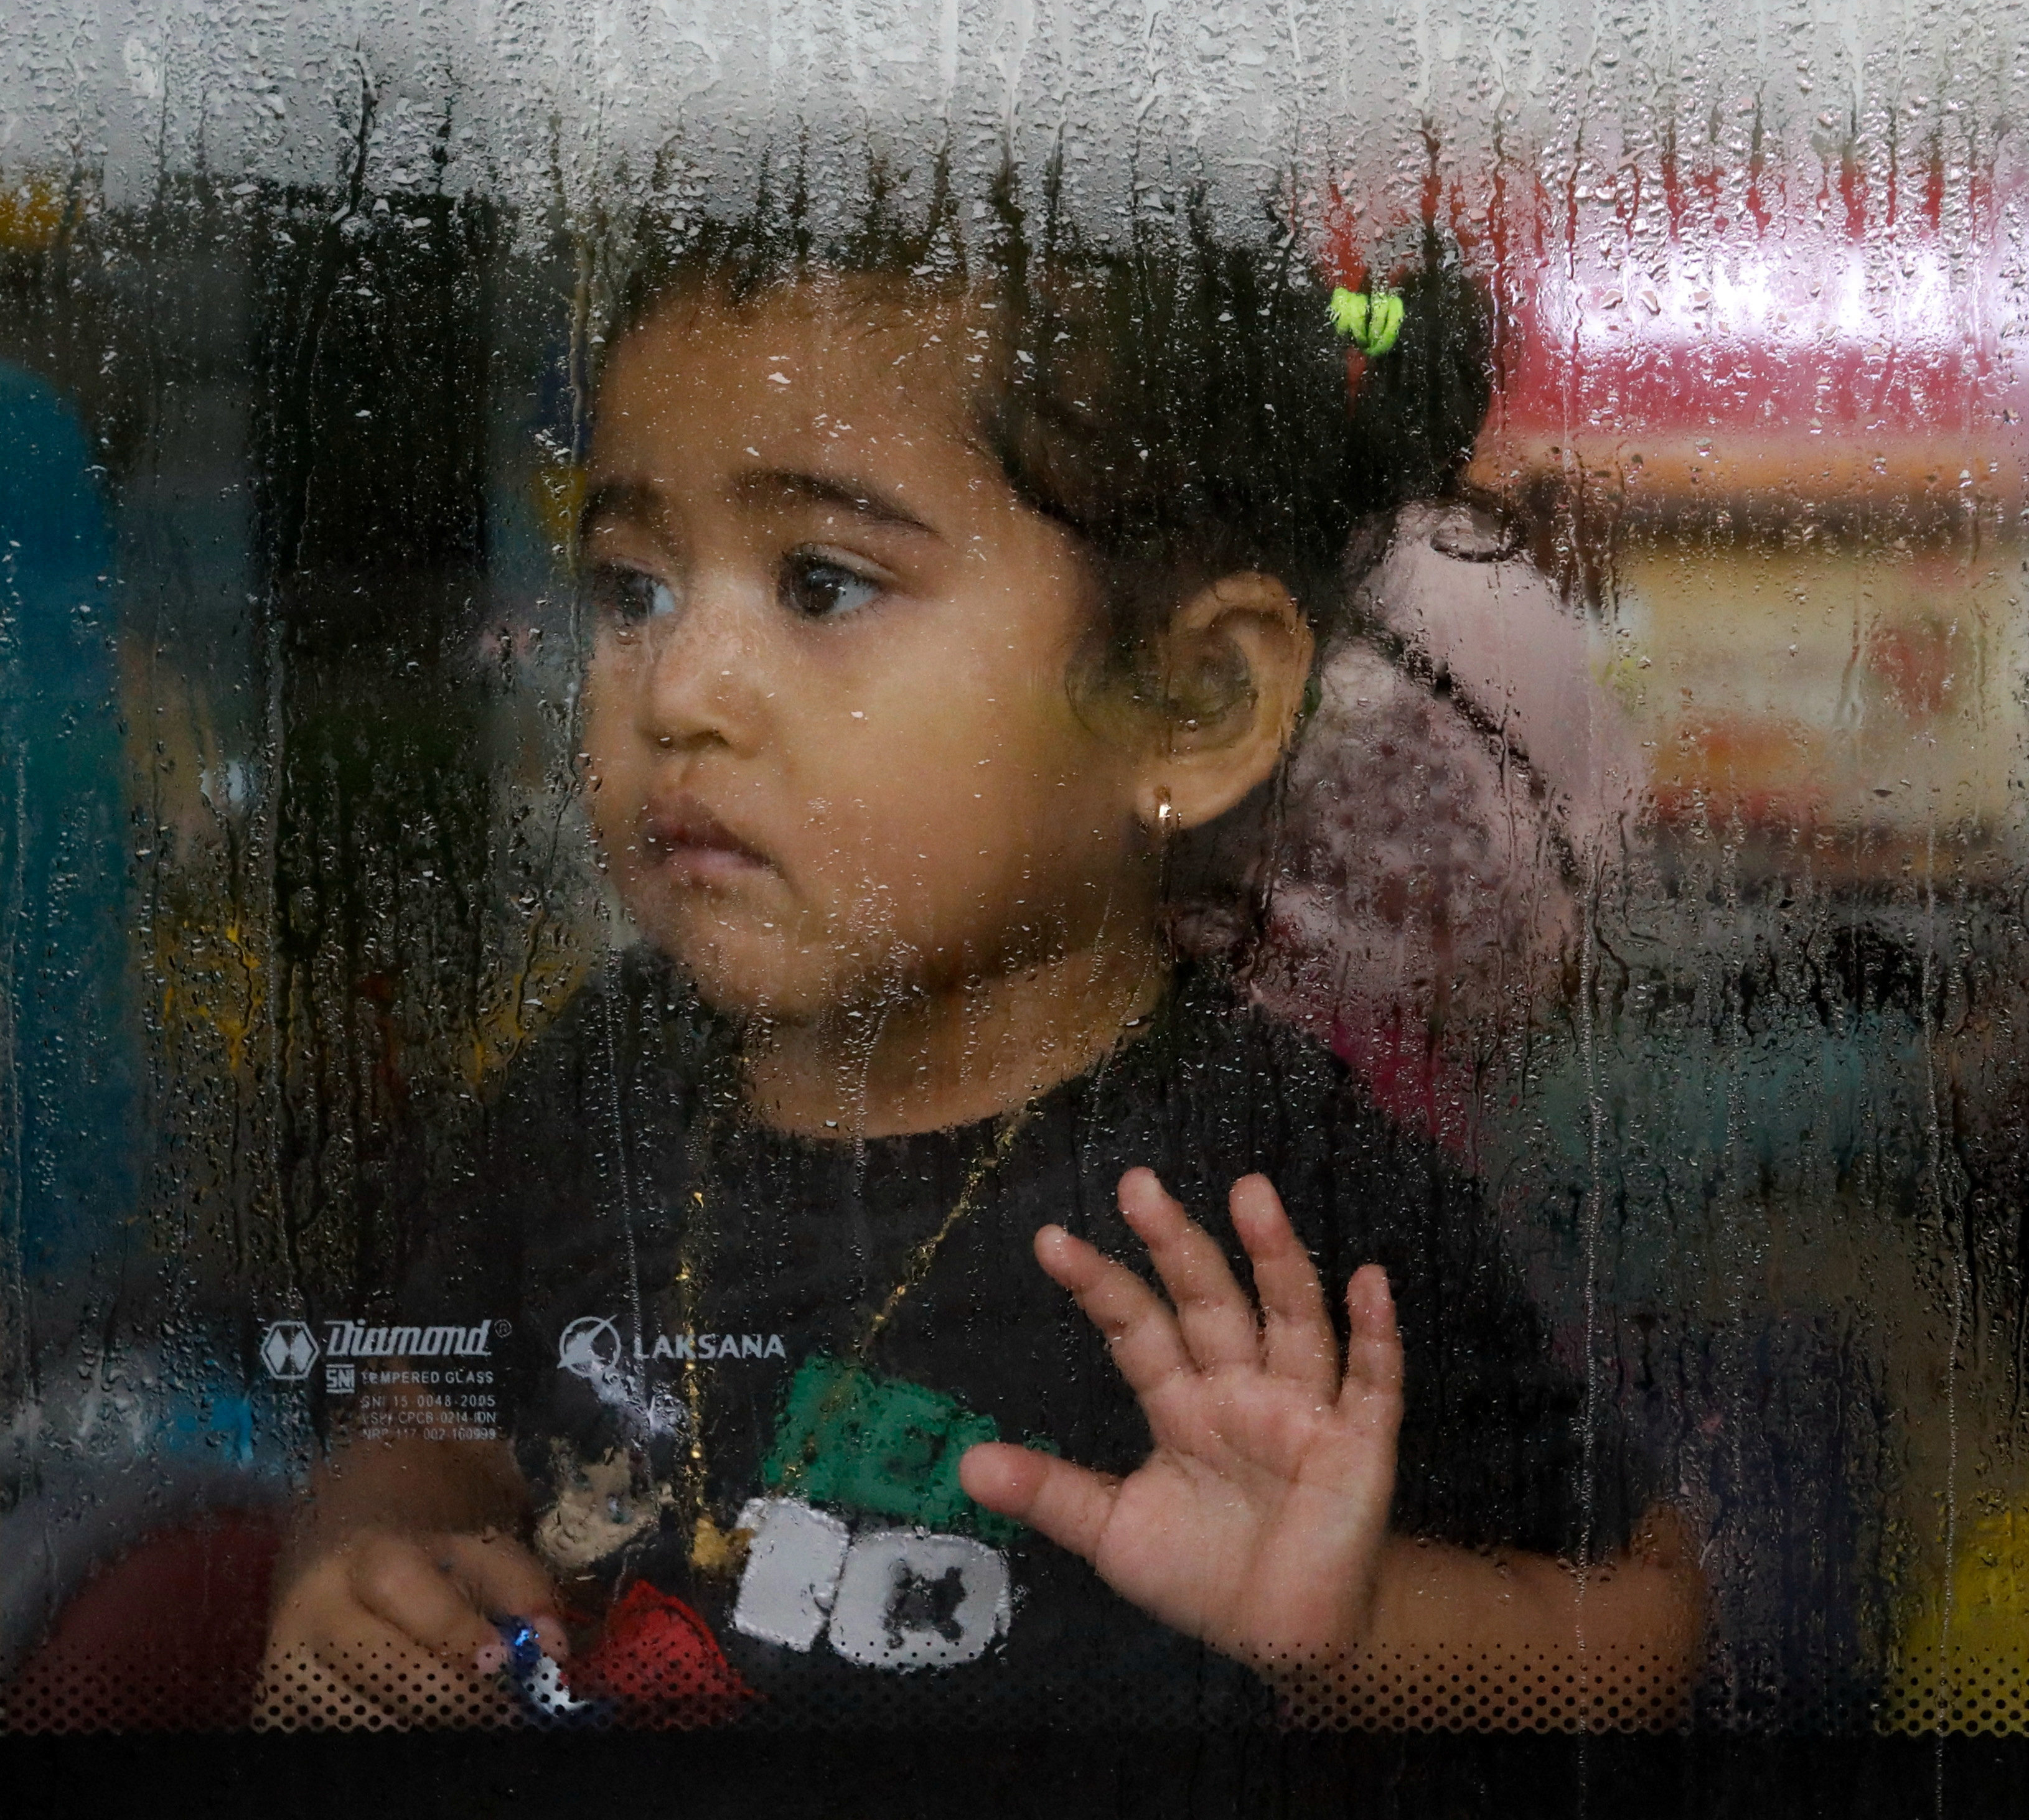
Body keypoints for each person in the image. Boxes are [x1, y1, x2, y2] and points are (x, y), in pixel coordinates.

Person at [253, 177, 1704, 1730]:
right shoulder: (597, 1078)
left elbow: (1637, 1625)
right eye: (634, 587)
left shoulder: (1277, 1197)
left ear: (1190, 702)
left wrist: (1353, 1625)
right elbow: (430, 1421)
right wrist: (372, 1559)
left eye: (823, 582)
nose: (679, 686)